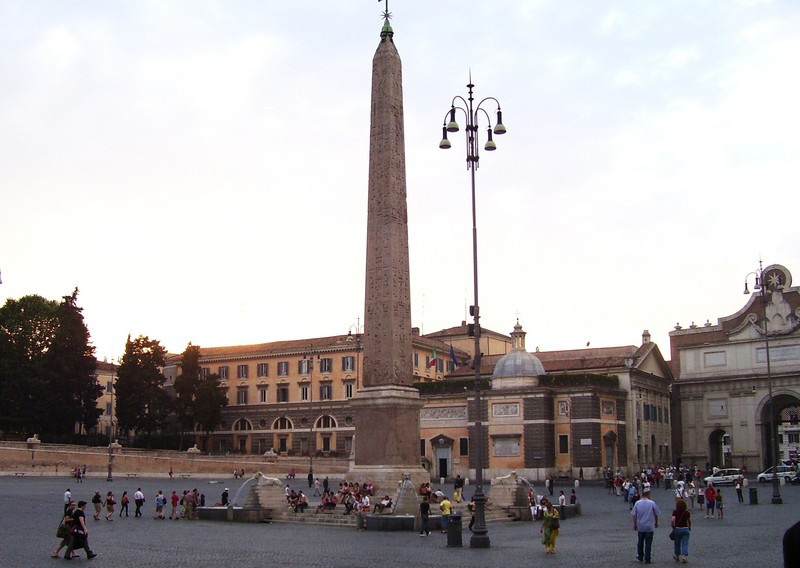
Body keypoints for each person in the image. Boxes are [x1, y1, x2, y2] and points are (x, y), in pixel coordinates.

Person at [631, 488, 660, 564]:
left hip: (640, 525)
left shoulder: (637, 503)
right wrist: (656, 522)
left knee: (640, 542)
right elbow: (656, 514)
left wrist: (635, 524)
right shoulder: (652, 503)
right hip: (649, 526)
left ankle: (640, 556)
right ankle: (647, 558)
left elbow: (634, 515)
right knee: (648, 543)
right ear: (648, 495)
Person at [671, 497, 691, 563]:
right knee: (685, 543)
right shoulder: (686, 512)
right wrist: (689, 527)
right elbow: (689, 521)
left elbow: (673, 520)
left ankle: (677, 556)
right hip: (685, 529)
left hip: (677, 529)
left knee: (677, 543)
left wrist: (673, 526)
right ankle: (684, 556)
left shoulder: (675, 512)